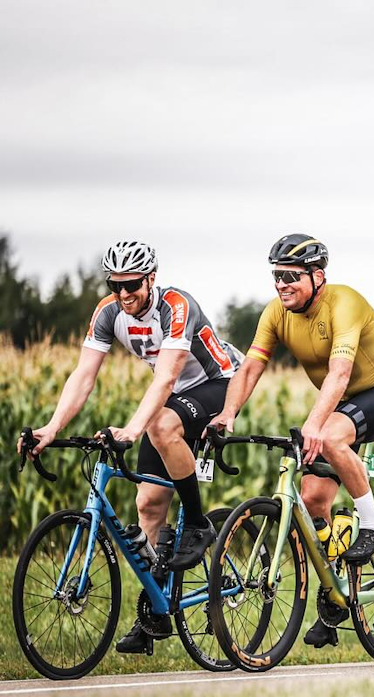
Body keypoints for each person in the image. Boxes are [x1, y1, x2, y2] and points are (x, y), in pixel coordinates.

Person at [21, 240, 241, 653]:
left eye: (133, 285)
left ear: (151, 278)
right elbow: (83, 376)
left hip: (220, 385)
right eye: (115, 285)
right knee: (148, 504)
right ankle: (156, 611)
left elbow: (167, 378)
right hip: (176, 397)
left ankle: (196, 521)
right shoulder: (108, 313)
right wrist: (51, 427)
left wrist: (133, 428)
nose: (124, 294)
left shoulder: (177, 306)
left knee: (160, 426)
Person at [208, 233, 374, 648]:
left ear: (317, 276)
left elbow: (339, 375)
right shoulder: (276, 314)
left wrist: (316, 425)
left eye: (291, 276)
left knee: (331, 438)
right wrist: (227, 413)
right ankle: (336, 594)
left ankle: (373, 526)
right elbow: (248, 370)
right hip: (342, 404)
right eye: (276, 276)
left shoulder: (344, 303)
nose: (282, 284)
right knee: (314, 501)